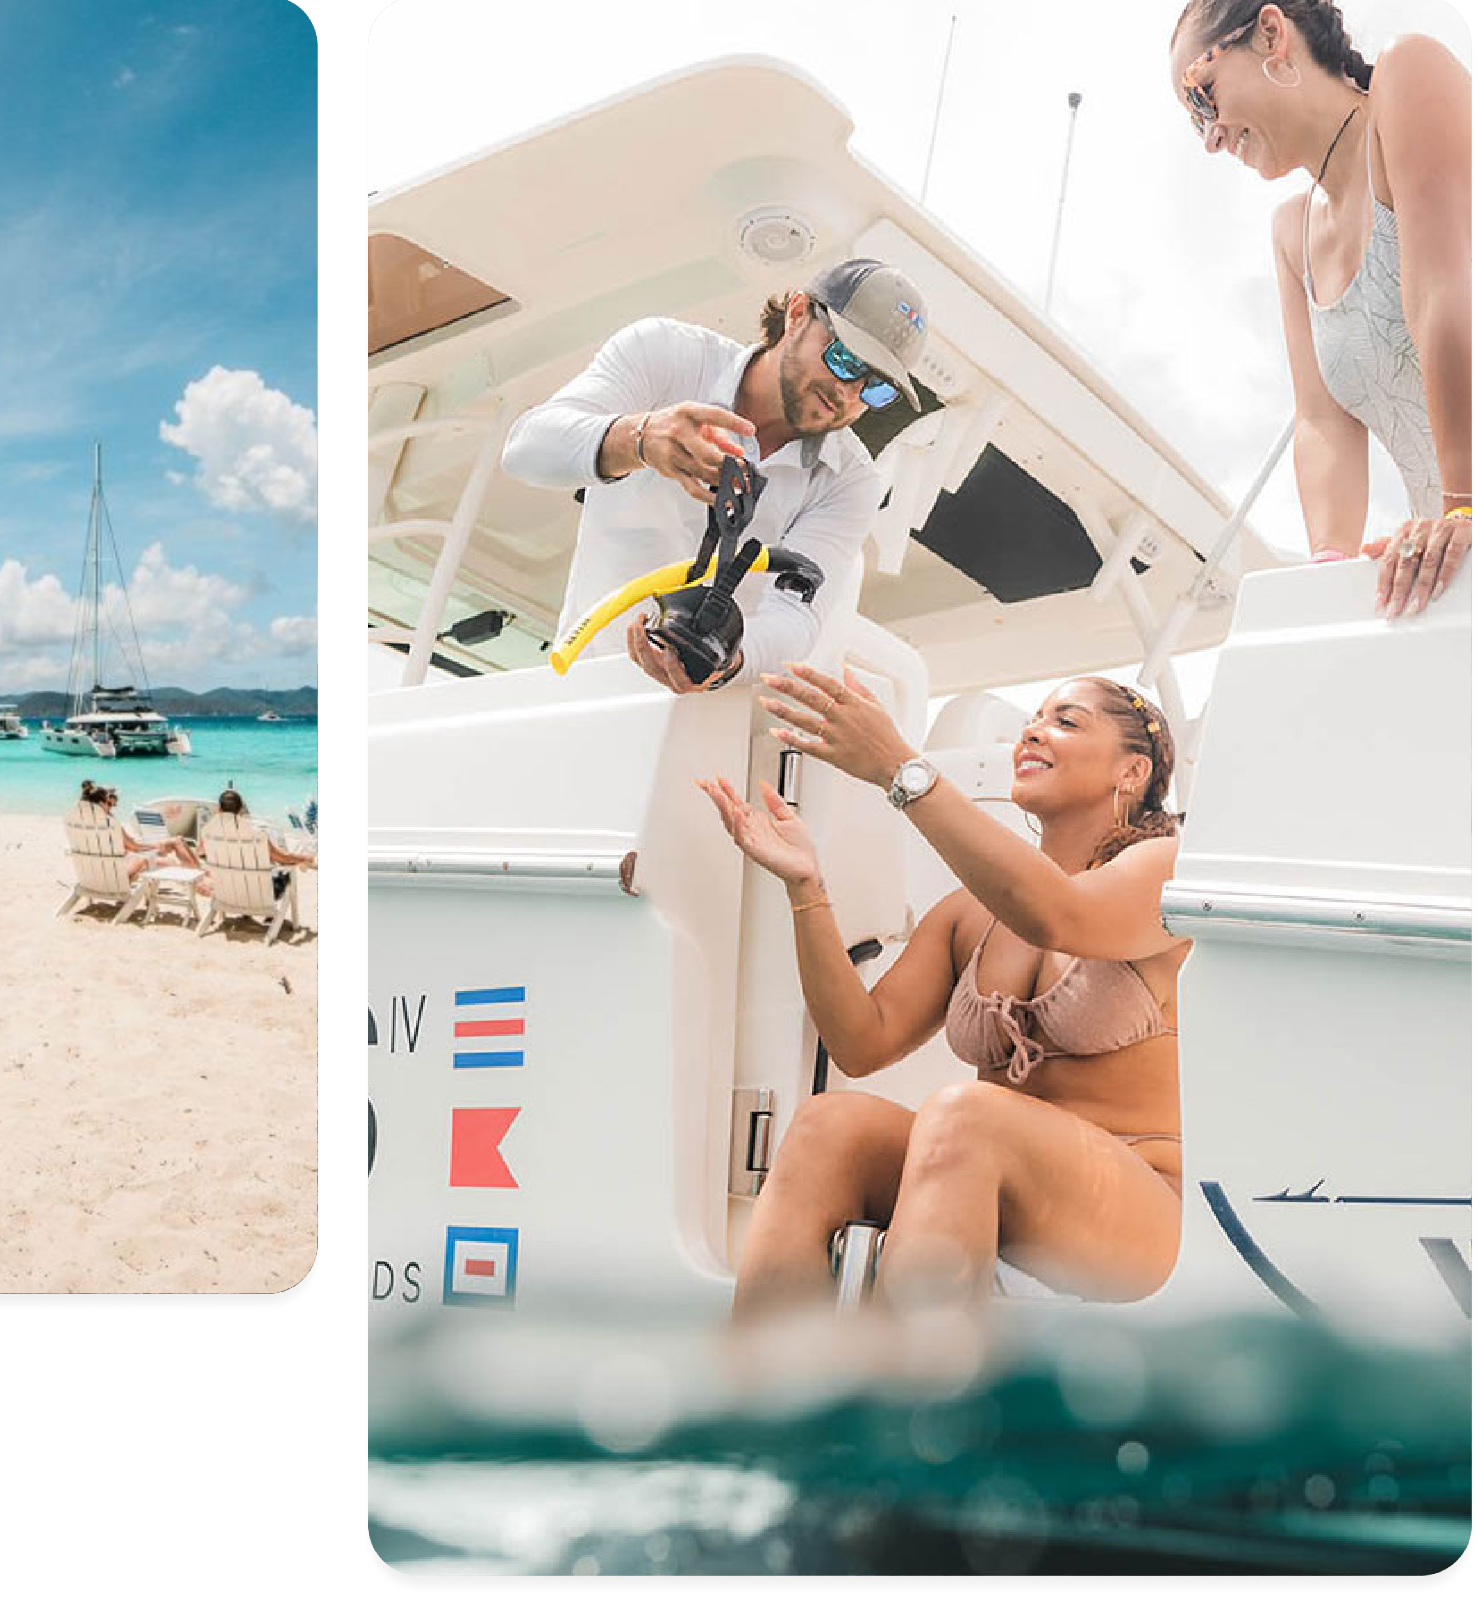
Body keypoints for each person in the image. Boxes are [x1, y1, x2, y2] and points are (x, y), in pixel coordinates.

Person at [699, 668, 1190, 1315]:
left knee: (965, 1113)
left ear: (1132, 772)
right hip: (982, 1172)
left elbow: (1058, 913)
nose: (1033, 734)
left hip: (1136, 1208)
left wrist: (901, 769)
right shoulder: (969, 916)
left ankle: (908, 1409)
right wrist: (805, 888)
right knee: (829, 1124)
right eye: (1031, 721)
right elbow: (860, 1041)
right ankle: (761, 1398)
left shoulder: (1166, 870)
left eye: (1065, 721)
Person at [500, 257, 930, 692]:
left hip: (703, 723)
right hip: (584, 688)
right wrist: (640, 439)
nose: (847, 392)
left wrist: (724, 660)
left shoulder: (851, 480)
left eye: (876, 388)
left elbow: (797, 615)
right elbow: (526, 448)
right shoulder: (666, 353)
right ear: (797, 314)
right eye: (843, 358)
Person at [1168, 2, 1471, 614]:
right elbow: (1322, 423)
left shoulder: (1408, 75)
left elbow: (1447, 291)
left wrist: (1462, 501)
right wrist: (1326, 582)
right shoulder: (1291, 236)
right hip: (1454, 561)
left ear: (1271, 34)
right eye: (1192, 123)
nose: (1210, 138)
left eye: (1203, 99)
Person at [78, 780, 206, 883]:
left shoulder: (81, 823)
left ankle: (200, 873)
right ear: (101, 803)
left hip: (97, 873)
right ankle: (200, 877)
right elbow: (134, 847)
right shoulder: (110, 823)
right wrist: (156, 846)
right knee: (174, 850)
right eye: (110, 804)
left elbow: (126, 846)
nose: (111, 808)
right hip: (122, 873)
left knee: (175, 845)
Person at [214, 787, 314, 898]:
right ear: (241, 809)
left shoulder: (212, 835)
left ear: (219, 809)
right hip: (262, 894)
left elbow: (200, 853)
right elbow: (283, 858)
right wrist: (305, 859)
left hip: (227, 890)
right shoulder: (257, 835)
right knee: (284, 870)